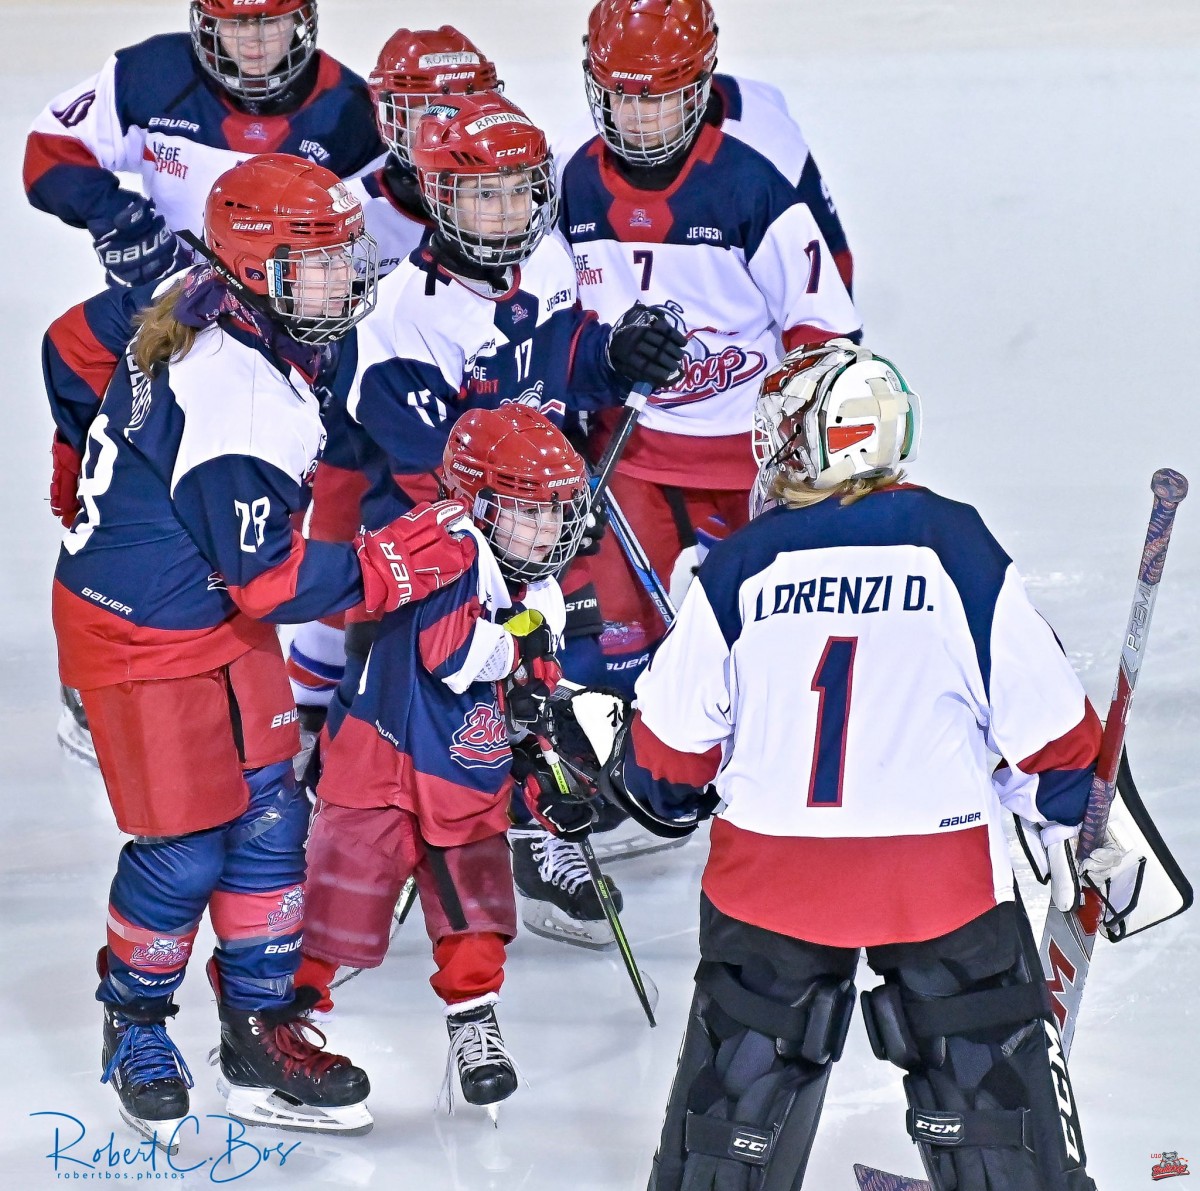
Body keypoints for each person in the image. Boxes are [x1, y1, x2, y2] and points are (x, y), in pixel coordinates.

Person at [606, 340, 1134, 1190]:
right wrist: (1073, 815)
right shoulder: (952, 544)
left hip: (769, 879)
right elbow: (1061, 746)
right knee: (987, 1088)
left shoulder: (741, 563)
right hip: (935, 879)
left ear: (825, 440)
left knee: (733, 1105)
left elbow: (663, 762)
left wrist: (662, 784)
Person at [50, 153, 477, 1146]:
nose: (348, 279)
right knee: (186, 840)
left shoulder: (204, 295)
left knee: (274, 812)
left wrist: (86, 465)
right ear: (258, 266)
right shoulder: (242, 390)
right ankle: (136, 1023)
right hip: (141, 636)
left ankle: (258, 1028)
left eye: (345, 256)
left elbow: (64, 342)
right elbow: (274, 584)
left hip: (200, 607)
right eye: (321, 262)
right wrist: (394, 566)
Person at [316, 89, 687, 946]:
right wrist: (526, 527)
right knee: (418, 709)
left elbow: (566, 366)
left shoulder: (549, 262)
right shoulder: (398, 314)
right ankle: (348, 849)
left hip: (535, 526)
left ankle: (534, 839)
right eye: (481, 194)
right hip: (438, 540)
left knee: (550, 680)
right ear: (438, 200)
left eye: (521, 189)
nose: (506, 210)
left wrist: (613, 355)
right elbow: (428, 465)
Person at [296, 404, 601, 1111]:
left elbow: (530, 689)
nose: (546, 531)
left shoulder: (536, 583)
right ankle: (279, 1021)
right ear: (479, 502)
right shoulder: (448, 545)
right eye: (528, 513)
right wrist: (520, 641)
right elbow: (456, 652)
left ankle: (475, 1021)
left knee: (477, 907)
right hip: (380, 761)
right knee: (337, 909)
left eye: (556, 513)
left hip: (463, 771)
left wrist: (548, 770)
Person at [556, 0, 862, 697]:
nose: (637, 121)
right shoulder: (570, 176)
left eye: (660, 101)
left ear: (700, 85)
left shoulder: (752, 184)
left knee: (778, 637)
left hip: (753, 460)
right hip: (629, 454)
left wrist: (807, 450)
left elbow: (826, 328)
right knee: (612, 648)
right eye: (620, 99)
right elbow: (548, 317)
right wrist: (600, 360)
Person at [284, 25, 503, 729]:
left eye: (458, 105)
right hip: (353, 431)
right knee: (343, 582)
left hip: (455, 421)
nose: (440, 126)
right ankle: (315, 728)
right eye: (419, 110)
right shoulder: (346, 208)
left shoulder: (506, 197)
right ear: (384, 115)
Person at [24, 0, 382, 290]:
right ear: (207, 23)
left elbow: (378, 230)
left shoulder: (349, 112)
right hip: (164, 299)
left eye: (269, 22)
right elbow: (51, 145)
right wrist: (115, 217)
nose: (253, 42)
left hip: (289, 317)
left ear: (299, 21)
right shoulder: (153, 73)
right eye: (236, 24)